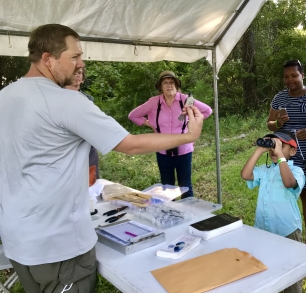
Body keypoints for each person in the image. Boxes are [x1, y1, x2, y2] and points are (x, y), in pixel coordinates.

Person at [0, 24, 204, 293]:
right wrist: (188, 136)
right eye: (74, 57)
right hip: (60, 247)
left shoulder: (5, 96)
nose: (80, 64)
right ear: (48, 59)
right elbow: (130, 145)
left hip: (18, 242)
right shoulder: (65, 101)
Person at [267, 59, 306, 261]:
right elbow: (270, 124)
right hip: (285, 153)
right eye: (286, 76)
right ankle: (286, 235)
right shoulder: (280, 97)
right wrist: (278, 122)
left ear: (302, 74)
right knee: (285, 194)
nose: (289, 80)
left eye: (294, 75)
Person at [128, 71, 212, 199]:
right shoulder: (154, 102)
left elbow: (207, 111)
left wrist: (191, 122)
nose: (169, 85)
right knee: (167, 187)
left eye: (172, 82)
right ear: (160, 87)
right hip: (162, 149)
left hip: (184, 148)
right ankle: (170, 215)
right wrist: (150, 124)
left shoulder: (186, 100)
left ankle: (189, 216)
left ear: (176, 85)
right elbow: (133, 115)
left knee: (186, 187)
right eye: (165, 83)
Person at [241, 131, 306, 293]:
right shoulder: (265, 170)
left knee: (290, 270)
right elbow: (245, 174)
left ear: (292, 151)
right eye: (272, 145)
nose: (274, 149)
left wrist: (280, 156)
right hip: (263, 230)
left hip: (287, 230)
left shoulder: (297, 171)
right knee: (266, 267)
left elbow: (289, 183)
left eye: (281, 145)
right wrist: (259, 150)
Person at [65, 67, 100, 182]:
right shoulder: (56, 97)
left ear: (83, 79)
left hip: (87, 145)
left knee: (91, 181)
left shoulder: (89, 99)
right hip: (65, 147)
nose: (77, 75)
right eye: (73, 73)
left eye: (79, 73)